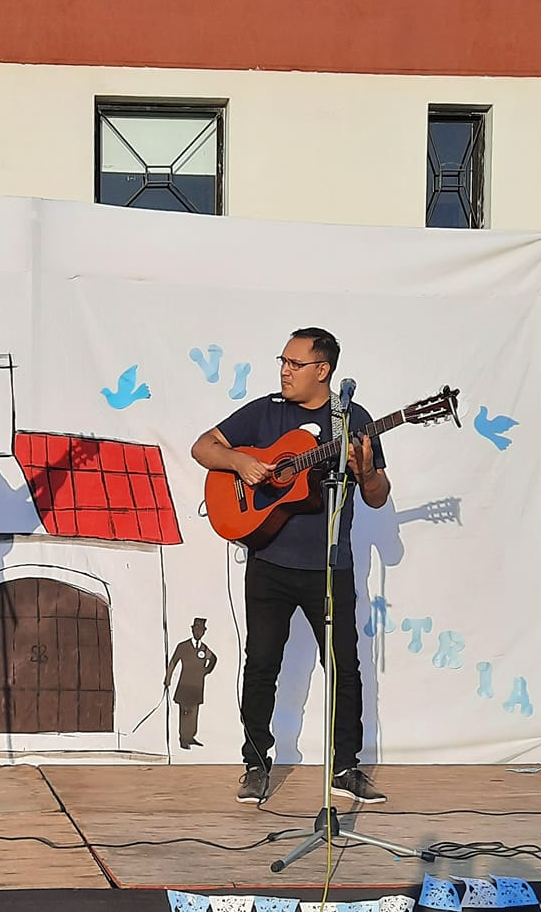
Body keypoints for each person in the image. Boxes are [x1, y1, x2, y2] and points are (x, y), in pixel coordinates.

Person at [191, 327, 389, 805]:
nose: (284, 371)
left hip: (330, 567)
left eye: (294, 364)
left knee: (343, 668)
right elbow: (203, 447)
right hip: (269, 563)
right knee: (262, 664)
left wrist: (364, 471)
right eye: (282, 361)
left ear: (323, 370)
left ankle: (346, 767)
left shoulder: (352, 420)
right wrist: (239, 462)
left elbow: (378, 496)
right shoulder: (266, 412)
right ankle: (255, 764)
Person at [164, 618, 218, 749]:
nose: (198, 632)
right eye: (196, 629)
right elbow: (173, 662)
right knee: (185, 712)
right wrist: (168, 679)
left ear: (204, 632)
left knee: (194, 713)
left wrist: (206, 671)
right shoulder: (183, 646)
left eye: (201, 630)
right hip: (184, 685)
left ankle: (191, 736)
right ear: (192, 630)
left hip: (197, 686)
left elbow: (213, 659)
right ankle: (183, 739)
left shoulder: (204, 649)